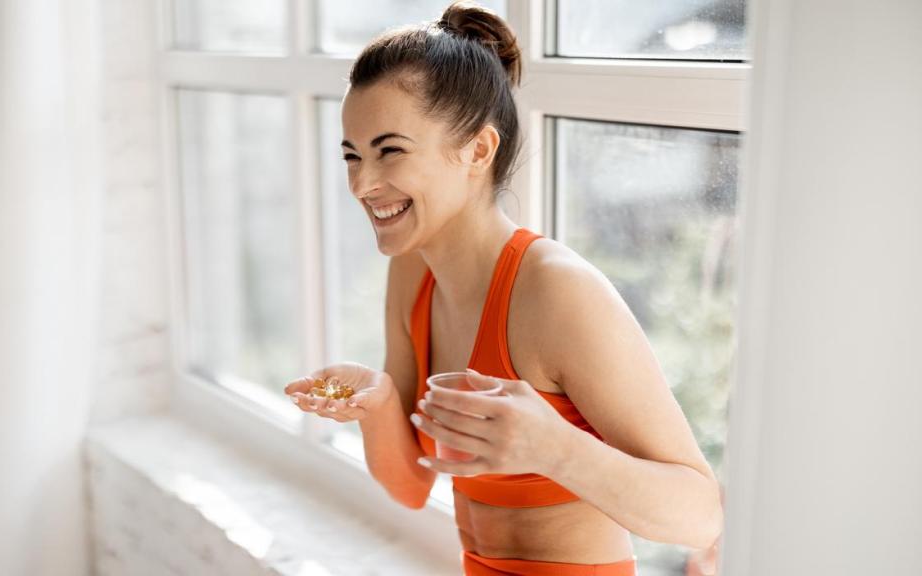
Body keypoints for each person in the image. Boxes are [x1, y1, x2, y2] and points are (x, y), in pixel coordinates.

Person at [285, 2, 723, 574]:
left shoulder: (557, 293)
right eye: (352, 155)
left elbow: (699, 517)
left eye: (389, 150)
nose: (364, 183)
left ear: (478, 150)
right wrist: (378, 404)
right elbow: (413, 486)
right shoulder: (412, 273)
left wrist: (555, 447)